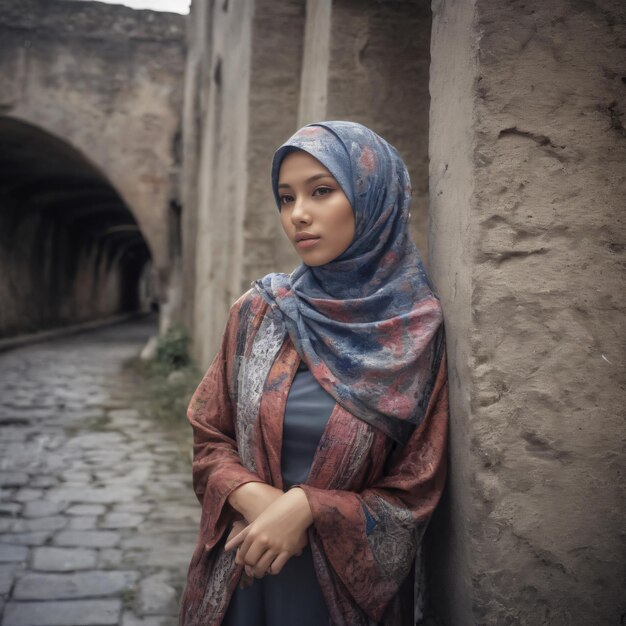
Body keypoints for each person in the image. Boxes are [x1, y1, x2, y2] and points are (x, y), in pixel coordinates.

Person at [178, 121, 449, 626]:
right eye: (285, 198)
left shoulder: (417, 337)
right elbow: (209, 434)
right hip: (242, 580)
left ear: (373, 200)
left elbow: (417, 489)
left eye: (321, 191)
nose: (298, 215)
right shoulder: (260, 311)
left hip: (339, 604)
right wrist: (254, 497)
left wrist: (308, 509)